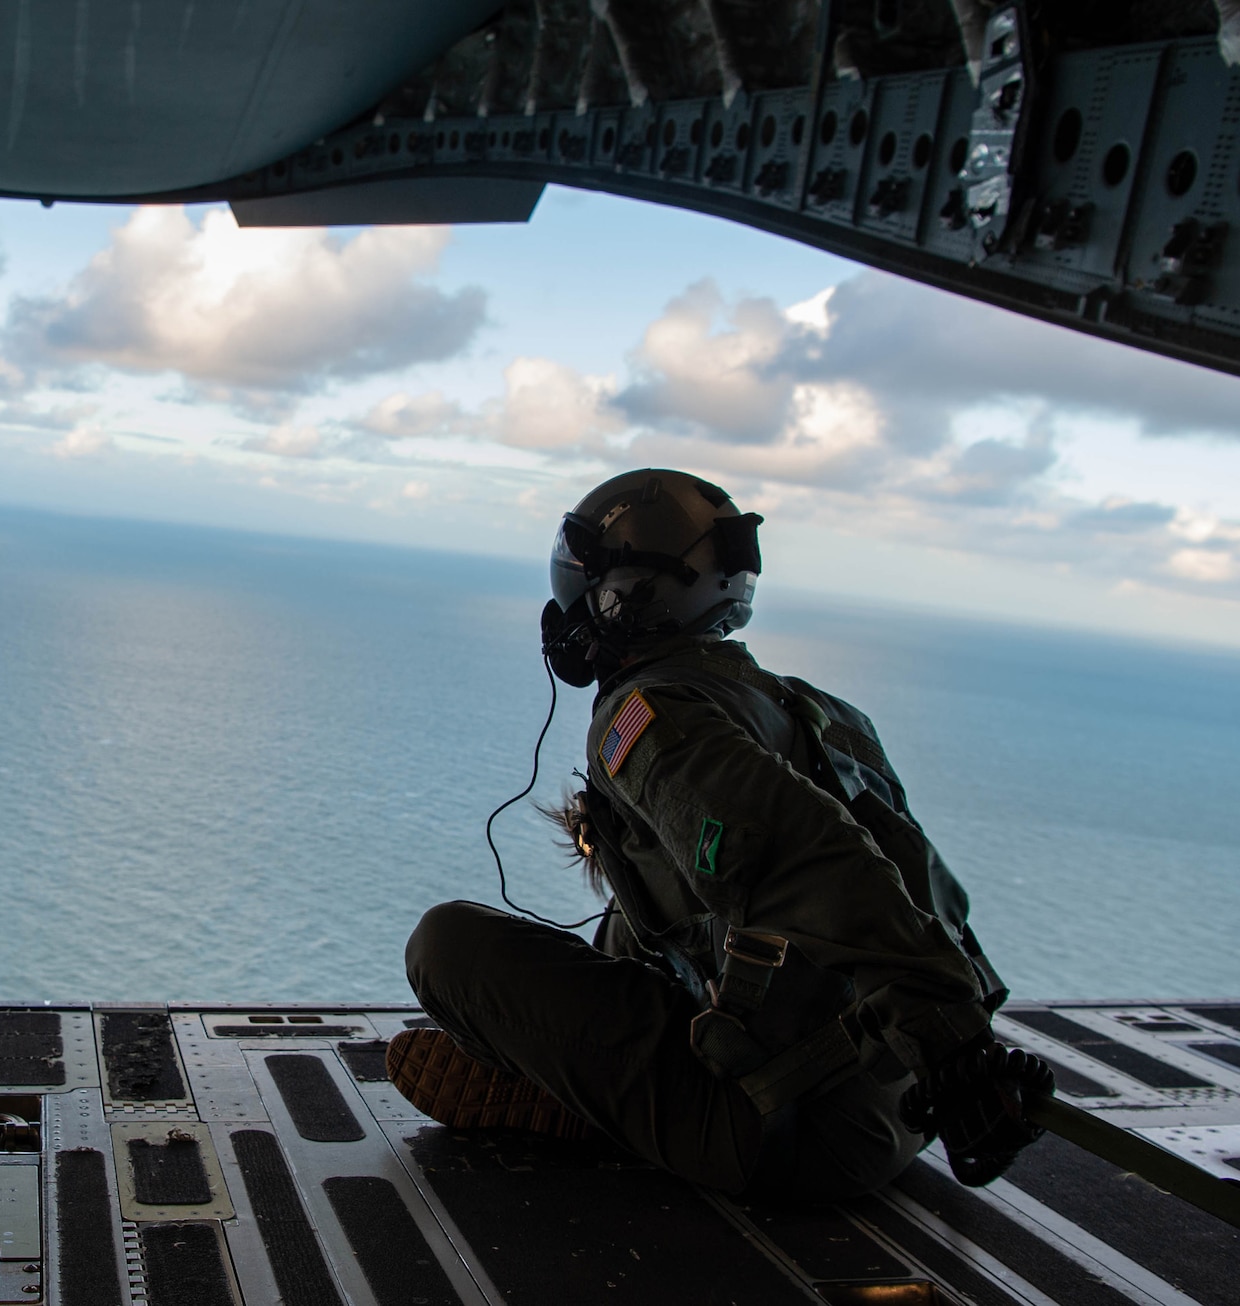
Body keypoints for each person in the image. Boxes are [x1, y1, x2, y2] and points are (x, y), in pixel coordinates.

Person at [387, 468, 1053, 1201]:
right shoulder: (818, 711)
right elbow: (897, 874)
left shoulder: (646, 717)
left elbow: (806, 860)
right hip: (895, 1112)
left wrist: (952, 1040)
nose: (568, 604)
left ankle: (590, 1108)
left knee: (446, 947)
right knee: (631, 922)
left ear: (630, 596)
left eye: (585, 578)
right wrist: (955, 1050)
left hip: (786, 1125)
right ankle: (613, 1094)